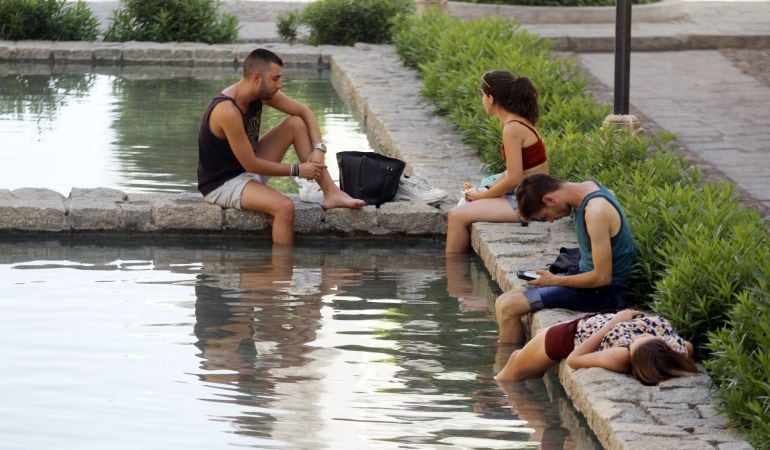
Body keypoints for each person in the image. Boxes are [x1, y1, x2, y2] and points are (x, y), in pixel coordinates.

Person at [197, 48, 365, 245]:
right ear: (257, 78)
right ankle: (280, 273)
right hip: (222, 183)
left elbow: (304, 112)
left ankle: (332, 193)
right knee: (284, 207)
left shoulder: (259, 93)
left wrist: (319, 148)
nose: (280, 84)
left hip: (245, 168)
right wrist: (298, 170)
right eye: (275, 79)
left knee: (295, 124)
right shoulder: (227, 110)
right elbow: (251, 164)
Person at [495, 174, 636, 344]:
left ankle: (506, 365)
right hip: (586, 279)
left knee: (509, 308)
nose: (552, 221)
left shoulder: (596, 211)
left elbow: (602, 277)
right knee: (501, 301)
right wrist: (553, 280)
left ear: (549, 200)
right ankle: (512, 359)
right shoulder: (587, 187)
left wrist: (554, 280)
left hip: (606, 293)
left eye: (546, 216)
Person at [445, 70, 549, 254]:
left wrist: (483, 197)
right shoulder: (519, 122)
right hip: (527, 194)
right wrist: (487, 189)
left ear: (491, 99)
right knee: (476, 193)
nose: (482, 100)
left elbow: (515, 177)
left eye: (483, 95)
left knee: (456, 217)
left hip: (529, 203)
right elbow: (514, 172)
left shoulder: (512, 128)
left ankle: (455, 279)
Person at [494, 309, 698, 385]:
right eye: (647, 336)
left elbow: (574, 359)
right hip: (596, 322)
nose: (641, 334)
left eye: (635, 342)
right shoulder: (681, 349)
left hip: (569, 336)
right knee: (529, 371)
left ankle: (498, 392)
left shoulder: (620, 356)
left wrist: (616, 321)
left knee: (513, 369)